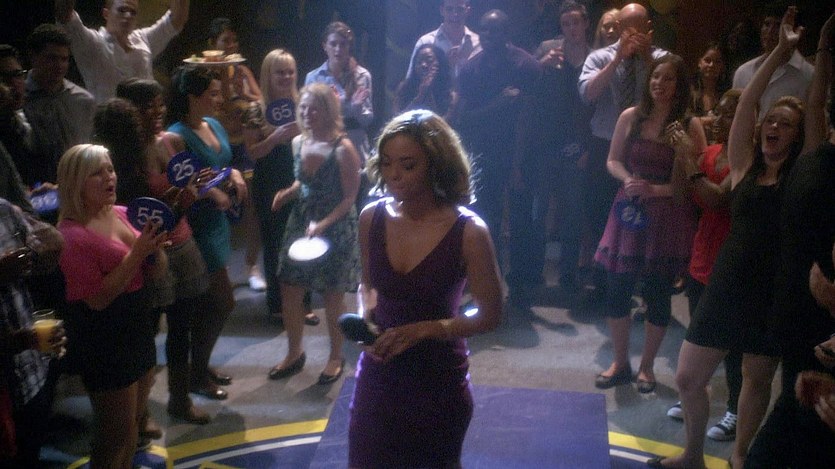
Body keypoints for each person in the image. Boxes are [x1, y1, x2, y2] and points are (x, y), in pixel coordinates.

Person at [648, 7, 820, 469]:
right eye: (770, 121)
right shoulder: (744, 166)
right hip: (728, 282)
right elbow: (746, 107)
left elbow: (815, 115)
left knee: (755, 379)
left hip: (773, 290)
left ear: (799, 136)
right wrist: (778, 54)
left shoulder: (802, 177)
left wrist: (818, 57)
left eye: (785, 124)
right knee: (688, 377)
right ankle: (693, 454)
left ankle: (740, 456)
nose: (773, 127)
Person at [348, 109, 503, 468]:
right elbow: (367, 285)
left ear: (436, 165)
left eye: (408, 165)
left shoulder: (469, 231)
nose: (394, 175)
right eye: (387, 163)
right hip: (379, 374)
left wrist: (424, 330)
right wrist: (364, 322)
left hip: (437, 380)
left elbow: (490, 315)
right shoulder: (371, 217)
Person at [745, 10, 835, 468]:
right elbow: (816, 104)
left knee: (800, 433)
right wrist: (823, 44)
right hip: (797, 309)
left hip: (824, 318)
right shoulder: (821, 155)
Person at [593, 54, 705, 394]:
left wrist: (655, 190)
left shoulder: (690, 125)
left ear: (680, 86)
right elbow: (612, 160)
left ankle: (647, 367)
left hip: (666, 214)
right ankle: (620, 362)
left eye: (668, 78)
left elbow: (696, 180)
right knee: (617, 288)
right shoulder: (631, 116)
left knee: (657, 292)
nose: (660, 84)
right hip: (629, 209)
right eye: (656, 77)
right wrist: (627, 179)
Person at [106, 82, 214, 425]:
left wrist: (199, 187)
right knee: (147, 333)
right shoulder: (123, 156)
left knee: (182, 328)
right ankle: (138, 416)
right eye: (146, 106)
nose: (156, 113)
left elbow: (182, 191)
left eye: (159, 104)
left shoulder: (173, 141)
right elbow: (133, 213)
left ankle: (179, 400)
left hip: (182, 242)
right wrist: (178, 201)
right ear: (129, 112)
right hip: (149, 252)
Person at [57, 143, 168, 468]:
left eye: (110, 169)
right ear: (76, 182)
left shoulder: (122, 213)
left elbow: (156, 272)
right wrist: (138, 252)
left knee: (132, 425)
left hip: (138, 325)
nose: (109, 177)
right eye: (97, 173)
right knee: (113, 434)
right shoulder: (71, 235)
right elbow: (98, 298)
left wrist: (156, 249)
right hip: (105, 339)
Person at [267, 83, 360, 385]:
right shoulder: (298, 142)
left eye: (314, 108)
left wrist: (324, 224)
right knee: (289, 285)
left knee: (333, 294)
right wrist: (288, 193)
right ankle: (294, 352)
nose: (307, 114)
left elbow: (350, 198)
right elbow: (302, 183)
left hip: (336, 225)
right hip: (302, 220)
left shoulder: (343, 149)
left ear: (328, 111)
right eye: (303, 108)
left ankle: (335, 356)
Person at [666, 89, 744, 443]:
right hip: (702, 257)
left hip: (733, 263)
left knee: (733, 344)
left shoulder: (749, 158)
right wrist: (679, 156)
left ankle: (735, 409)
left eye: (728, 115)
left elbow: (717, 199)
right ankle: (695, 392)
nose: (717, 121)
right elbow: (681, 196)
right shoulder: (710, 153)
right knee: (697, 335)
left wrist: (689, 158)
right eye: (719, 113)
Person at [577, 3, 669, 299]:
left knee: (641, 214)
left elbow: (672, 95)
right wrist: (618, 59)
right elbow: (588, 94)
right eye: (627, 28)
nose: (632, 34)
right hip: (605, 142)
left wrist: (646, 58)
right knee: (599, 211)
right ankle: (602, 280)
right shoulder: (600, 57)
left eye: (638, 28)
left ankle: (636, 281)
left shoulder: (661, 60)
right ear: (618, 29)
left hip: (644, 147)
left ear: (648, 29)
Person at [167, 66, 247, 401]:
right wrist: (212, 192)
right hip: (197, 223)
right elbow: (181, 181)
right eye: (212, 93)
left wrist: (235, 174)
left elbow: (222, 164)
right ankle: (196, 374)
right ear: (192, 97)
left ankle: (200, 365)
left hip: (218, 222)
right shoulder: (176, 135)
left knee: (208, 305)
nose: (218, 99)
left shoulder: (212, 124)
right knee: (221, 302)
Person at [455, 9, 542, 306]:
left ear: (508, 33)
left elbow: (534, 116)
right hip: (484, 153)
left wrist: (520, 161)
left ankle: (521, 287)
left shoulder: (527, 66)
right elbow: (463, 119)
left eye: (497, 30)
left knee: (522, 221)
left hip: (522, 153)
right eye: (485, 30)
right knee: (485, 220)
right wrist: (499, 104)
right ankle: (490, 285)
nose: (490, 36)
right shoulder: (470, 69)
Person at [242, 49, 317, 326]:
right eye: (280, 72)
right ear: (268, 75)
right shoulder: (256, 109)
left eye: (290, 72)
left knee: (305, 241)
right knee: (275, 243)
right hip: (269, 181)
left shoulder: (305, 104)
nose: (286, 77)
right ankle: (278, 304)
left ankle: (304, 303)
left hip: (303, 178)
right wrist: (275, 137)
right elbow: (252, 153)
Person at [531, 0, 592, 293]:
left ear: (586, 23)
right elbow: (526, 82)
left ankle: (568, 275)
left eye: (576, 22)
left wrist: (588, 148)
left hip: (577, 143)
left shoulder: (595, 55)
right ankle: (534, 272)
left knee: (572, 212)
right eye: (566, 23)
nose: (571, 28)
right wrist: (540, 65)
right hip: (546, 141)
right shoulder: (548, 48)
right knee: (540, 210)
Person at [0, 197, 65, 468]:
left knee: (30, 451)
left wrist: (38, 254)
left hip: (29, 370)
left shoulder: (4, 209)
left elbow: (46, 254)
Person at [208, 17, 266, 293]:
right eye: (225, 41)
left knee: (251, 205)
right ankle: (220, 268)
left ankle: (252, 266)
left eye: (234, 40)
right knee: (217, 205)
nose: (231, 45)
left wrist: (243, 97)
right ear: (213, 44)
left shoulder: (242, 71)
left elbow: (261, 101)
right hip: (216, 147)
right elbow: (212, 111)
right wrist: (230, 97)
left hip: (242, 146)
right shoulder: (205, 74)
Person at [54, 0, 190, 102]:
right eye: (122, 10)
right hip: (110, 124)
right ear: (106, 13)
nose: (128, 15)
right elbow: (64, 15)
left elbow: (177, 19)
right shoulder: (93, 43)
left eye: (133, 12)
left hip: (147, 121)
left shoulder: (142, 39)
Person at [23, 23, 95, 187]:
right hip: (34, 192)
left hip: (78, 188)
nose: (59, 66)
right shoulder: (18, 101)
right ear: (33, 57)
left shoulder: (83, 101)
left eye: (64, 59)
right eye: (52, 58)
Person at [304, 21, 373, 167]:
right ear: (324, 46)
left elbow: (367, 121)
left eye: (343, 44)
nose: (338, 49)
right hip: (325, 149)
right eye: (333, 44)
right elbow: (308, 119)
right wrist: (336, 106)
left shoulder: (362, 75)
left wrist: (356, 108)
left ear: (349, 47)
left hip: (356, 147)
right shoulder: (314, 77)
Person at [731, 2, 813, 118]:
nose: (770, 32)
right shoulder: (743, 71)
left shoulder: (809, 75)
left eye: (778, 26)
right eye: (767, 24)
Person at [407, 0, 481, 78]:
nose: (455, 14)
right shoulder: (426, 42)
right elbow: (412, 79)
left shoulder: (479, 44)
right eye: (449, 9)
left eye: (460, 9)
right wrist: (444, 65)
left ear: (467, 11)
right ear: (442, 10)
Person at [393, 44, 457, 119]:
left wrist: (429, 92)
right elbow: (398, 120)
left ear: (440, 64)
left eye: (429, 61)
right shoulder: (404, 88)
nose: (423, 65)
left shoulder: (451, 96)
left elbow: (442, 124)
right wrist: (420, 96)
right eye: (419, 62)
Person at [690, 43, 730, 141]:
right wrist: (712, 120)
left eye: (717, 62)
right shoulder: (688, 92)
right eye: (707, 60)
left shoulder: (727, 95)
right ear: (700, 63)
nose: (712, 65)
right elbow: (685, 122)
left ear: (722, 66)